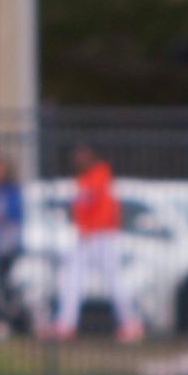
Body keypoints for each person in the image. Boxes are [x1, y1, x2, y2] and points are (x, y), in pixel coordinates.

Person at [54, 145, 142, 342]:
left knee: (114, 282)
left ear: (91, 156)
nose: (78, 159)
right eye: (76, 156)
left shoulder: (101, 174)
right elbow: (80, 209)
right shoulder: (83, 179)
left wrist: (92, 226)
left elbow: (103, 208)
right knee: (71, 278)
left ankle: (131, 323)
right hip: (86, 237)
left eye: (82, 155)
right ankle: (65, 324)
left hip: (103, 237)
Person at [0, 157, 24, 334]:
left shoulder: (12, 191)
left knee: (7, 283)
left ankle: (9, 321)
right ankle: (4, 319)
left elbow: (15, 215)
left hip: (11, 244)